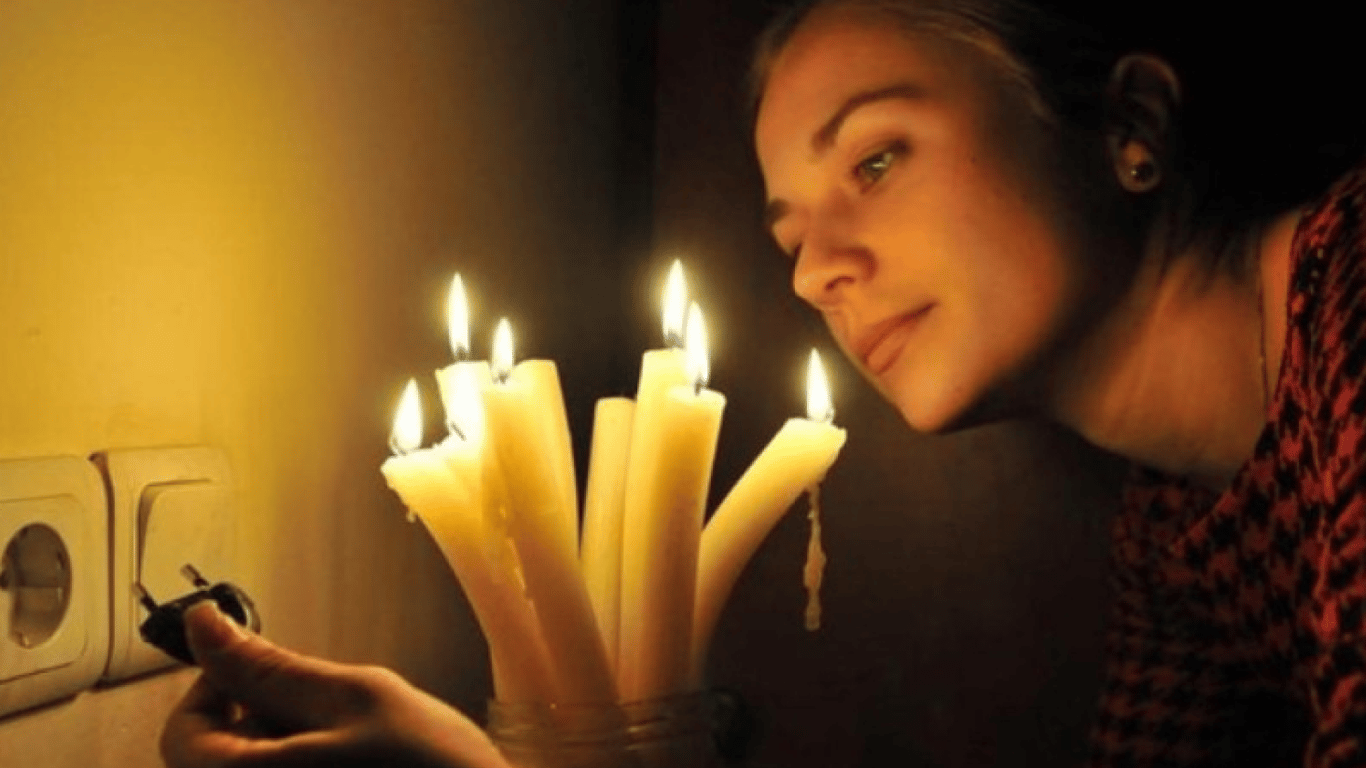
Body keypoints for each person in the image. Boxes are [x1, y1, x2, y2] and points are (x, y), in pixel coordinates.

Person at [162, 1, 1366, 765]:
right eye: (787, 234)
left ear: (1129, 123)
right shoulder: (1175, 537)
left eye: (875, 160)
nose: (813, 271)